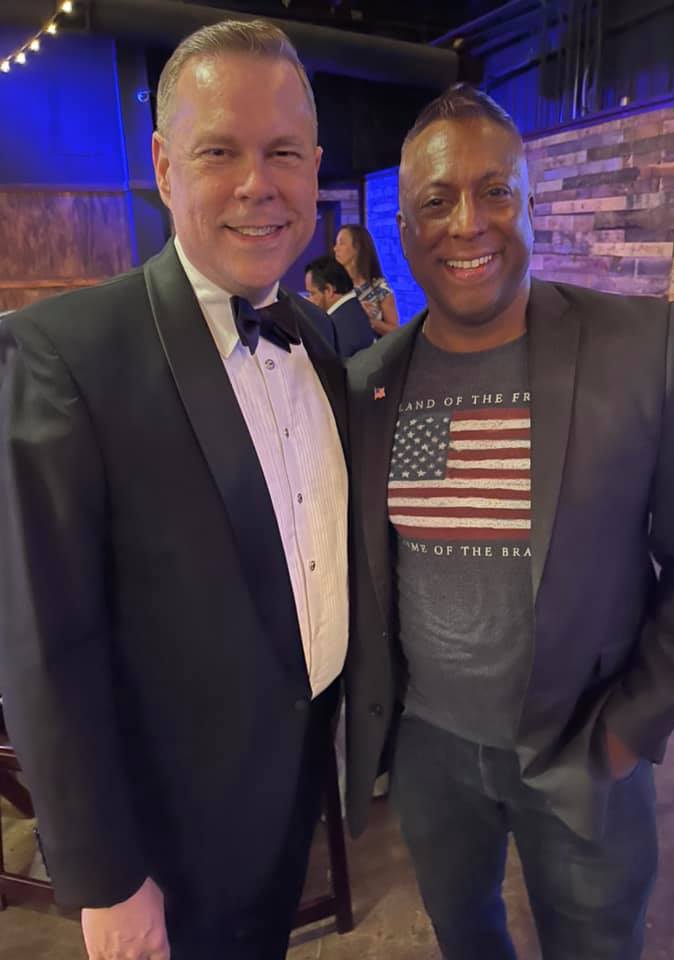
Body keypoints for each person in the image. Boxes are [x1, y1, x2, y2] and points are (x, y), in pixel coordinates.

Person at [344, 83, 674, 960]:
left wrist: (630, 730)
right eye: (436, 200)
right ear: (403, 229)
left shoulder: (643, 349)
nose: (466, 222)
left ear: (530, 204)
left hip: (583, 743)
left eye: (494, 192)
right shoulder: (369, 385)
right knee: (466, 936)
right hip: (432, 753)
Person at [0, 19, 349, 960]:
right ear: (162, 164)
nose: (255, 184)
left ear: (315, 167)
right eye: (218, 151)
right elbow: (44, 644)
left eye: (282, 152)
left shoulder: (318, 339)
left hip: (292, 796)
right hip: (166, 845)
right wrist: (104, 875)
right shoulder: (65, 355)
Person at [334, 223, 399, 336]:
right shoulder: (333, 286)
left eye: (341, 243)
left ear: (357, 247)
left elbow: (395, 332)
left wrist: (369, 321)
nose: (335, 248)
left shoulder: (379, 288)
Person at [305, 255, 374, 358]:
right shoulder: (354, 309)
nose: (309, 300)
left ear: (328, 290)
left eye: (312, 293)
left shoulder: (334, 326)